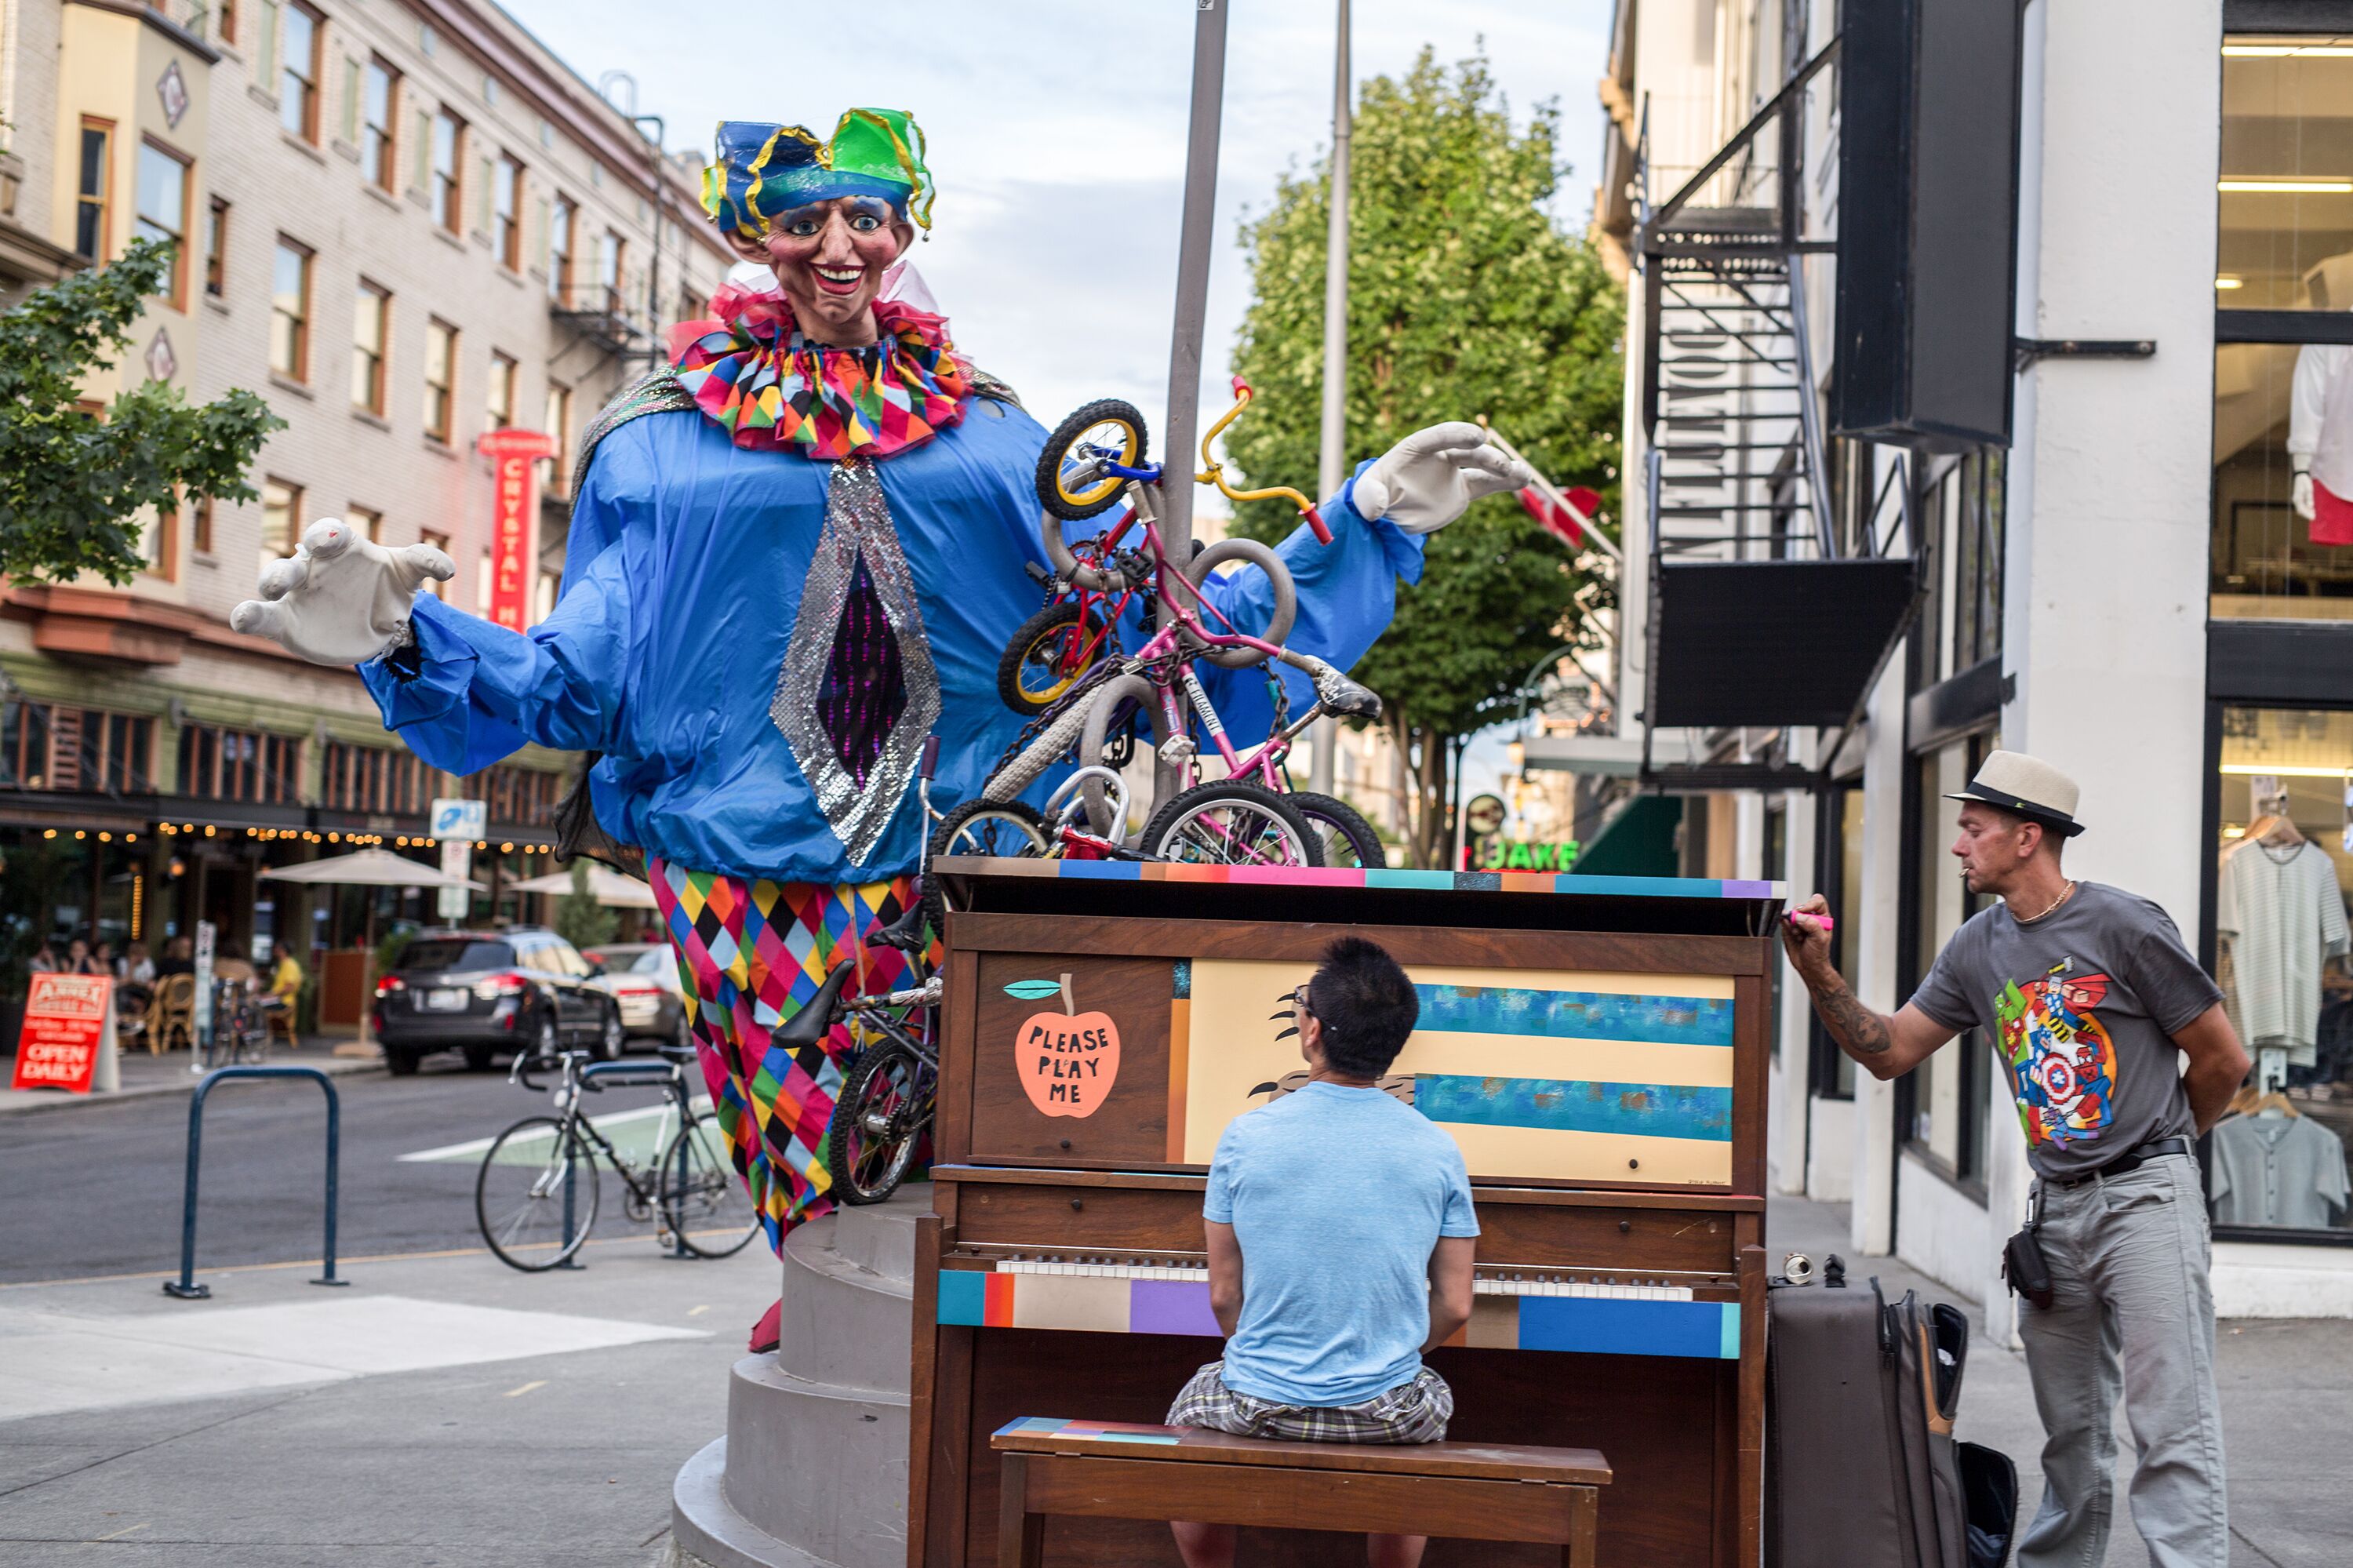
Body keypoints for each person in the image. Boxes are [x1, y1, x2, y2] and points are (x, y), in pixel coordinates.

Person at [229, 109, 1533, 1349]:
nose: (839, 245)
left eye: (867, 213)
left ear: (907, 225)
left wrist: (1359, 522)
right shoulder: (658, 447)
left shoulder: (993, 434)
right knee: (806, 1135)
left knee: (982, 1116)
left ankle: (946, 1318)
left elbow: (1147, 624)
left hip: (965, 851)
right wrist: (406, 642)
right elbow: (581, 678)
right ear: (755, 232)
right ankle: (819, 1284)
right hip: (745, 877)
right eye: (804, 220)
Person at [1780, 751, 2249, 1568]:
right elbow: (1889, 1051)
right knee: (2072, 1432)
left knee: (2170, 1424)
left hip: (2146, 1199)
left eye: (1973, 829)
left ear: (2027, 836)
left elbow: (2221, 1061)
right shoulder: (1977, 947)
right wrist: (1818, 974)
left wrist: (2163, 1149)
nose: (1959, 845)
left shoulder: (2125, 925)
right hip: (2056, 1211)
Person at [1166, 936, 1477, 1568]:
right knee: (1423, 1409)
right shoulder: (1438, 1148)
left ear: (1310, 1031)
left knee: (1188, 1418)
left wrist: (1268, 1353)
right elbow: (1456, 1303)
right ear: (1395, 1042)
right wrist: (1389, 1352)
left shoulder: (1245, 1135)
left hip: (1257, 1402)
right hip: (1385, 1410)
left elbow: (1225, 1296)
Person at [261, 941, 303, 1021]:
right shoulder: (283, 964)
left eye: (277, 948)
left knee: (255, 1005)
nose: (275, 950)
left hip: (284, 1002)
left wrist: (271, 995)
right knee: (256, 1002)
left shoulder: (289, 965)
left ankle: (261, 1031)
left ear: (283, 950)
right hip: (278, 999)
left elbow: (289, 987)